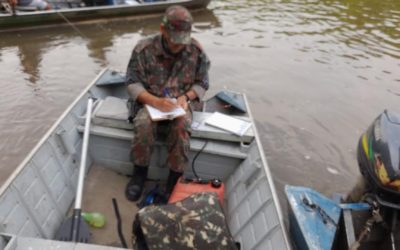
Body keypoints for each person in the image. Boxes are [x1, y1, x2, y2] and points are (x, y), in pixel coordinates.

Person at [124, 5, 210, 202]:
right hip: (150, 101)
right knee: (144, 124)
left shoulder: (196, 50)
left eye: (183, 41)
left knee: (181, 126)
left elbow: (203, 83)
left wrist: (186, 97)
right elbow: (131, 82)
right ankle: (139, 174)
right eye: (175, 41)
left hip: (181, 104)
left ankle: (174, 180)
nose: (180, 46)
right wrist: (154, 101)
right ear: (163, 30)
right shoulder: (143, 49)